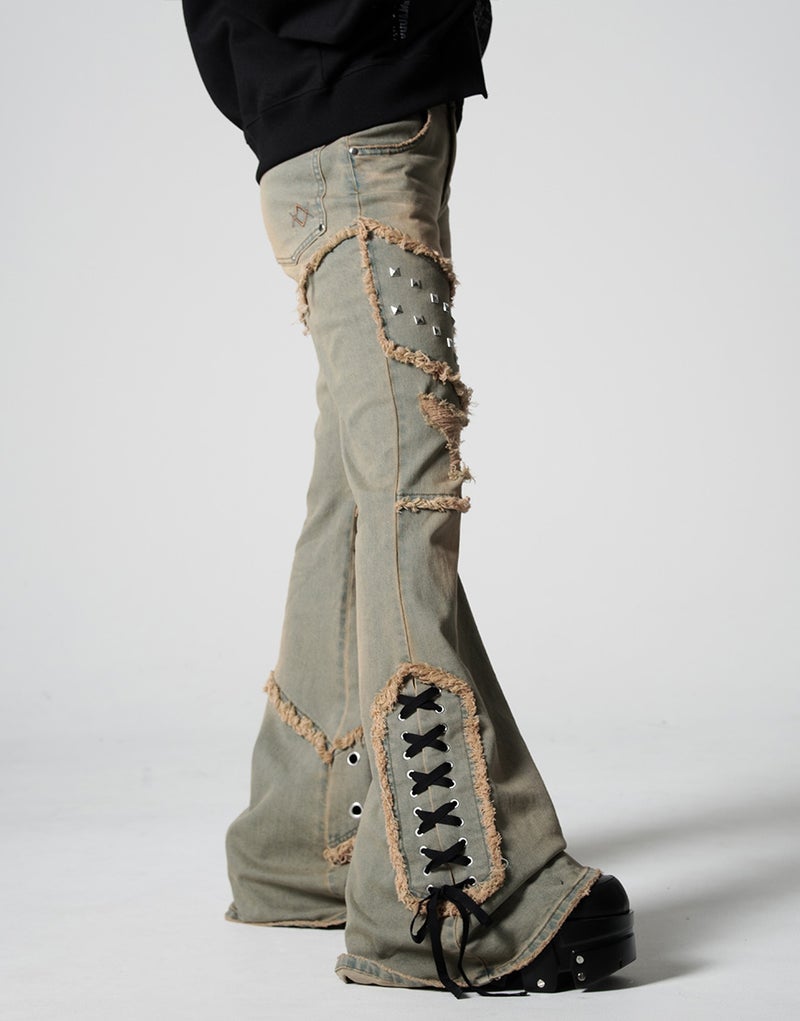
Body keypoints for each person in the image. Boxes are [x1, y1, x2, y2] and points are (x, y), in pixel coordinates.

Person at [181, 0, 635, 997]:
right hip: (352, 115)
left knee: (358, 480)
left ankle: (309, 836)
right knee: (406, 488)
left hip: (363, 107)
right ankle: (449, 891)